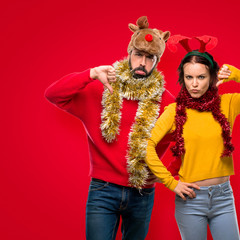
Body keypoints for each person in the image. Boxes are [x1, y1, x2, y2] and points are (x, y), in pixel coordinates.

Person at [45, 16, 173, 240]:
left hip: (142, 193)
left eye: (150, 57)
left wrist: (167, 173)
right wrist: (91, 74)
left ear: (157, 61)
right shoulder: (102, 89)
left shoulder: (166, 103)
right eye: (138, 55)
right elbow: (53, 94)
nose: (143, 62)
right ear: (129, 54)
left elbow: (188, 138)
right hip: (103, 191)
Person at [145, 37, 240, 240]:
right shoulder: (174, 111)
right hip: (191, 198)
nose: (194, 84)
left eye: (201, 77)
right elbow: (147, 145)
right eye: (189, 77)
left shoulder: (227, 103)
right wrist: (171, 183)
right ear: (182, 78)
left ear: (211, 77)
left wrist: (236, 75)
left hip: (223, 197)